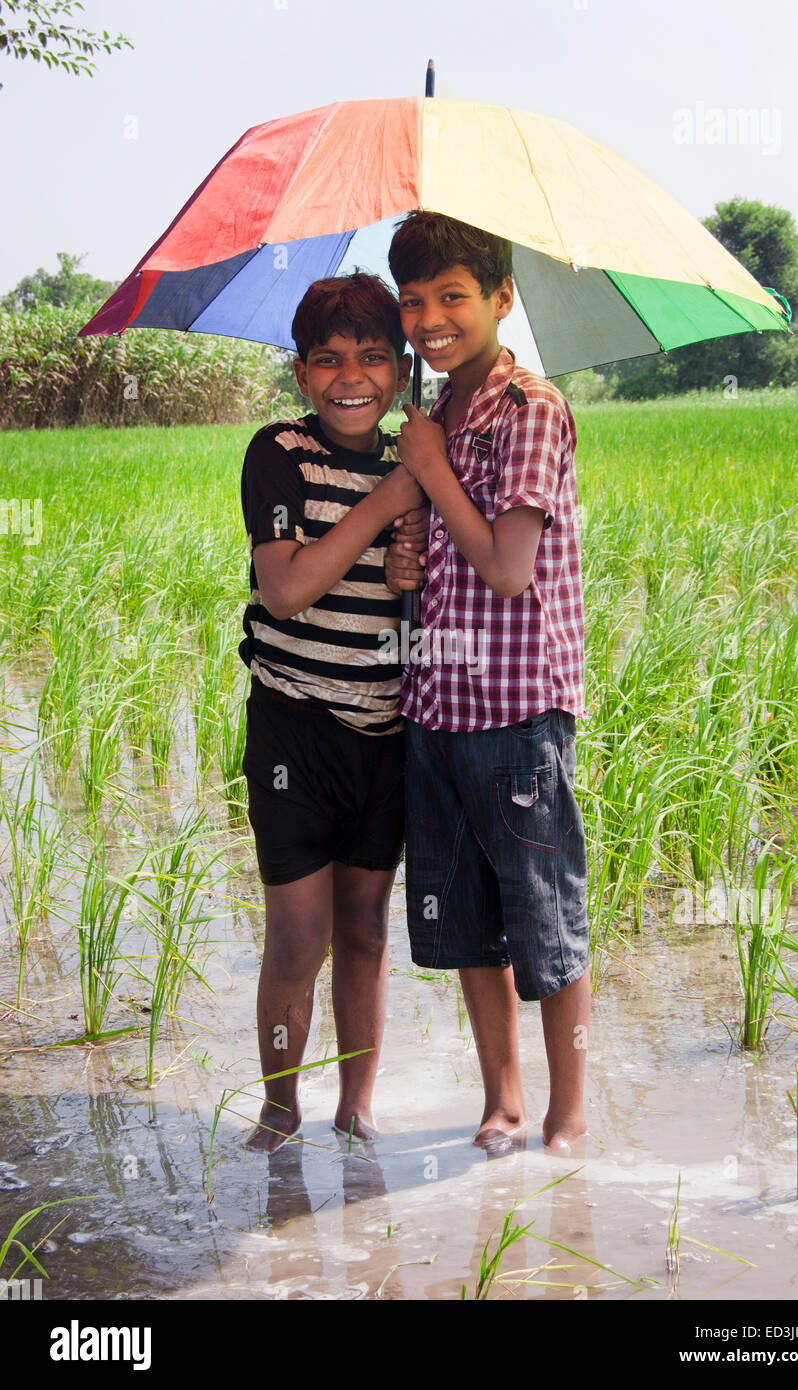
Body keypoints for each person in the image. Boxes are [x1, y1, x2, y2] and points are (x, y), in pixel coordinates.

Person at [385, 212, 590, 1155]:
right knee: (467, 920)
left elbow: (509, 568)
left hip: (515, 711)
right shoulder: (440, 416)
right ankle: (502, 1101)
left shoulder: (531, 408)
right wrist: (409, 537)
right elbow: (445, 559)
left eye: (453, 297)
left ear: (501, 299)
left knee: (544, 921)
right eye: (415, 300)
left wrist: (429, 469)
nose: (431, 317)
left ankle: (567, 1113)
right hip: (436, 703)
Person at [238, 273, 426, 1152]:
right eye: (329, 359)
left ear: (400, 368)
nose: (352, 375)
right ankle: (281, 1105)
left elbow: (423, 596)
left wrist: (410, 560)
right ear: (303, 374)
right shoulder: (278, 452)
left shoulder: (415, 467)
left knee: (363, 928)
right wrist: (386, 505)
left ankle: (357, 1105)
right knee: (299, 933)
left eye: (374, 356)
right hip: (294, 728)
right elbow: (285, 589)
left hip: (384, 732)